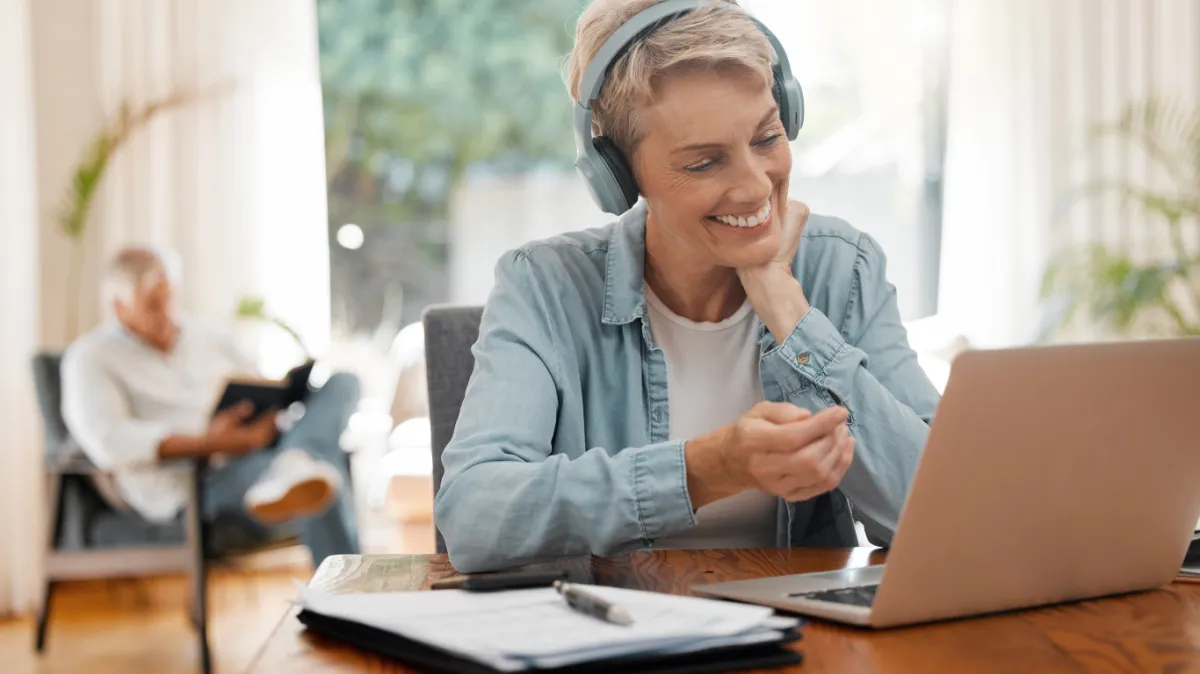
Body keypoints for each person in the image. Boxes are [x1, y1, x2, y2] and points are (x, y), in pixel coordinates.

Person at [435, 0, 941, 573]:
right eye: (704, 163)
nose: (755, 188)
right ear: (620, 177)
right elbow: (475, 517)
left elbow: (944, 515)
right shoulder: (544, 286)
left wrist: (792, 314)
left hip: (800, 644)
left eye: (767, 137)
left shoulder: (841, 268)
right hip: (619, 642)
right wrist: (706, 469)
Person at [61, 246, 360, 565]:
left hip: (256, 451)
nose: (166, 315)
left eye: (169, 299)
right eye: (151, 306)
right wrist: (213, 441)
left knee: (344, 382)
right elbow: (110, 442)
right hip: (196, 480)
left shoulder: (209, 335)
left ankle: (296, 457)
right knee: (319, 474)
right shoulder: (90, 359)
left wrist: (270, 412)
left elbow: (259, 384)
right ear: (119, 308)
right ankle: (350, 600)